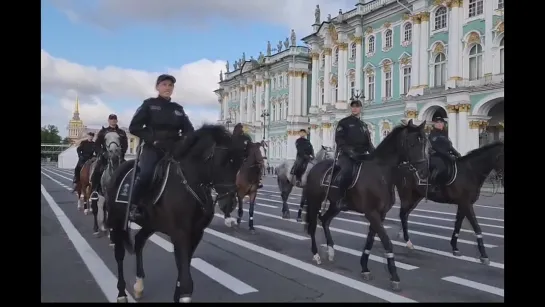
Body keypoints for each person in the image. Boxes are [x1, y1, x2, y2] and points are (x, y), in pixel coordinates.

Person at [127, 74, 195, 220]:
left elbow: (189, 130)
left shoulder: (178, 109)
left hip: (174, 149)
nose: (168, 88)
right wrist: (153, 139)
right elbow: (134, 127)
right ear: (157, 87)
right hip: (153, 147)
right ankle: (135, 205)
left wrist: (185, 141)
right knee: (146, 174)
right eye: (164, 84)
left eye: (170, 85)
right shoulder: (149, 104)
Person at [334, 99, 375, 211]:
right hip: (347, 155)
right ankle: (341, 199)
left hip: (361, 155)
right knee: (347, 172)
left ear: (361, 108)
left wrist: (376, 154)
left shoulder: (364, 125)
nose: (355, 108)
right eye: (353, 106)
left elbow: (368, 143)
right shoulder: (344, 122)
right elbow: (339, 139)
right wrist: (349, 152)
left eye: (357, 106)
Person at [90, 114, 128, 197]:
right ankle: (94, 191)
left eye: (114, 119)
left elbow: (125, 145)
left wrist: (122, 153)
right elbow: (96, 145)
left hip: (119, 157)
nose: (113, 120)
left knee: (127, 170)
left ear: (117, 121)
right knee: (97, 169)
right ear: (108, 120)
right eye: (111, 119)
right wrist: (103, 153)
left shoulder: (121, 132)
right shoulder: (103, 131)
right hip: (105, 156)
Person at [428, 116, 461, 184]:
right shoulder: (433, 134)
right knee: (440, 166)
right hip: (436, 156)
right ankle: (432, 184)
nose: (440, 124)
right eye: (437, 122)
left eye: (441, 122)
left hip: (446, 156)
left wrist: (457, 154)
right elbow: (436, 148)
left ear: (444, 124)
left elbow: (449, 146)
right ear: (434, 124)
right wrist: (448, 155)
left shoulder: (445, 134)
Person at [232, 123, 263, 188]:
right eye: (240, 128)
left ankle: (258, 180)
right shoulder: (233, 138)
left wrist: (257, 144)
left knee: (257, 165)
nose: (241, 130)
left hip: (245, 156)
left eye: (241, 128)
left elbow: (251, 145)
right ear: (236, 130)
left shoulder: (245, 137)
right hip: (235, 157)